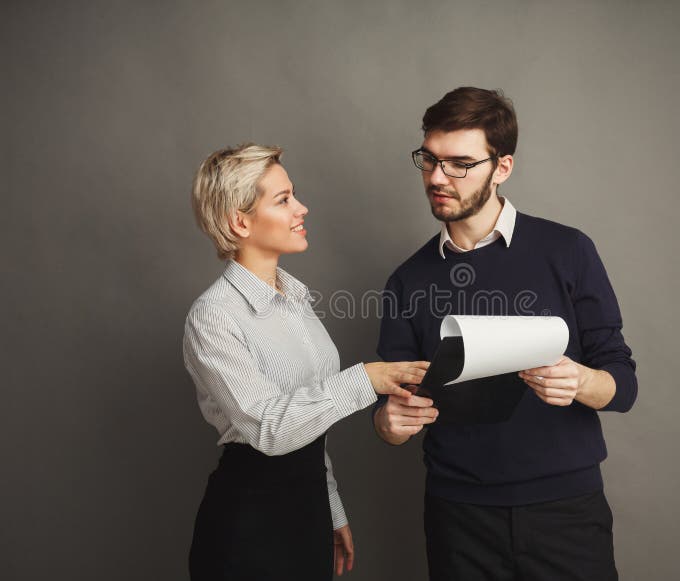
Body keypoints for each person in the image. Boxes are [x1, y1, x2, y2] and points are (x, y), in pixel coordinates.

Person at [374, 87, 638, 580]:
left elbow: (623, 384)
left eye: (459, 164)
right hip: (458, 518)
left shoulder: (569, 251)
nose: (437, 178)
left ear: (502, 167)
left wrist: (582, 381)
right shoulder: (407, 280)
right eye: (429, 160)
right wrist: (389, 424)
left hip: (566, 512)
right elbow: (389, 409)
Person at [183, 143, 429, 580]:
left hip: (308, 515)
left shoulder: (296, 299)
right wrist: (365, 379)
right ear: (240, 221)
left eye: (293, 195)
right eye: (283, 200)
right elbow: (268, 428)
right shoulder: (213, 316)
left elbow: (310, 422)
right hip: (248, 527)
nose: (302, 208)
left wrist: (330, 506)